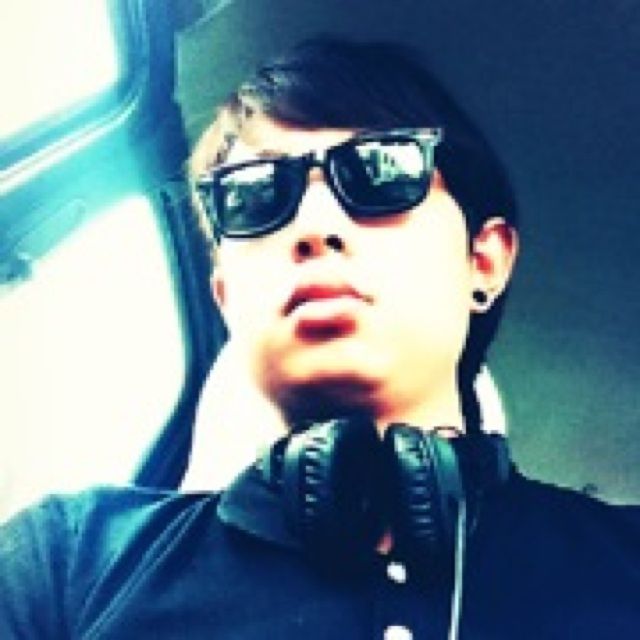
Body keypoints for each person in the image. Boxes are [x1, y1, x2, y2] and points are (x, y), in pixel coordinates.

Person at [0, 38, 638, 639]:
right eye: (254, 195)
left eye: (380, 171)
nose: (313, 224)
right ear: (225, 298)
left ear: (484, 260)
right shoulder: (63, 566)